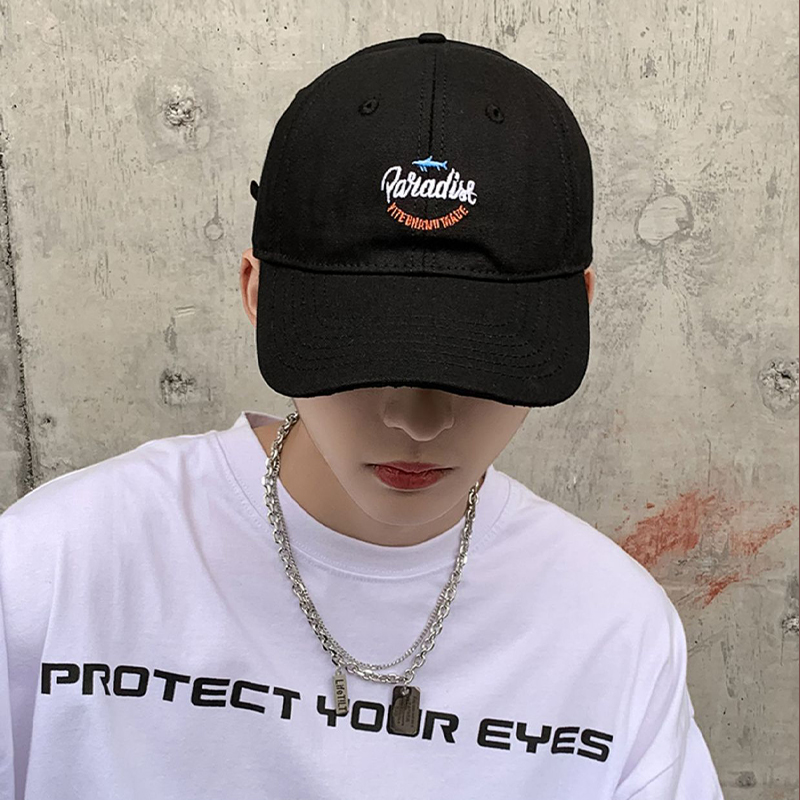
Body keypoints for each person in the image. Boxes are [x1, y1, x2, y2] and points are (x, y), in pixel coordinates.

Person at [0, 33, 725, 800]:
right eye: (362, 353)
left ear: (578, 306)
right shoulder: (56, 570)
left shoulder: (614, 630)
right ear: (255, 292)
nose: (419, 419)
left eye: (481, 359)